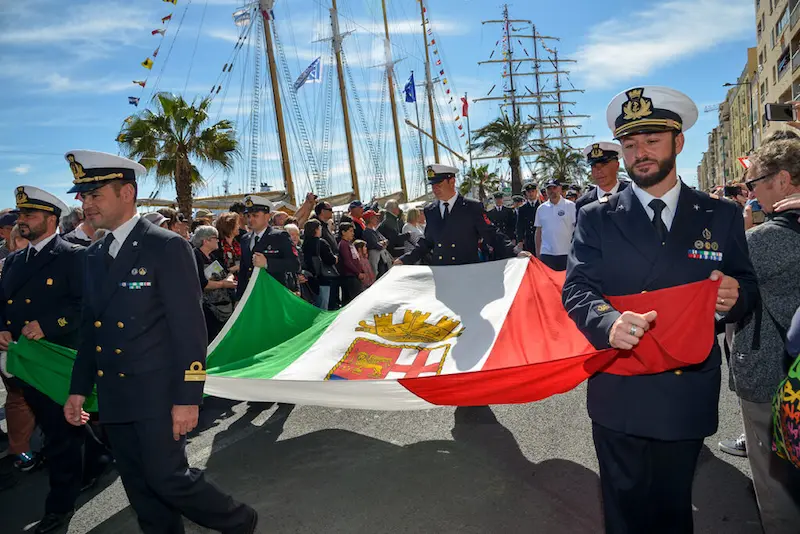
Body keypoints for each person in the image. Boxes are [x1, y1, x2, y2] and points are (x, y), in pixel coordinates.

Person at [562, 86, 758, 534]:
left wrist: (735, 296)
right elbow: (578, 288)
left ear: (678, 142)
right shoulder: (596, 216)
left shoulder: (719, 215)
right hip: (620, 385)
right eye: (630, 144)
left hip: (684, 388)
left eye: (651, 140)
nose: (640, 153)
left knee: (673, 508)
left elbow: (746, 285)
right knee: (624, 509)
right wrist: (608, 321)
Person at [62, 150, 257, 534]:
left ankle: (239, 521)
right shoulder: (94, 255)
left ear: (127, 193)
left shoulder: (165, 245)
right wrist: (78, 389)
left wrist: (188, 397)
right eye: (83, 197)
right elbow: (91, 330)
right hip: (116, 394)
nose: (86, 204)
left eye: (95, 194)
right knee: (139, 486)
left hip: (158, 391)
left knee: (168, 477)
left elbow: (189, 329)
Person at [0, 185, 91, 533]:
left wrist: (50, 324)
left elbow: (86, 305)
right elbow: (2, 302)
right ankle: (96, 457)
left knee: (60, 435)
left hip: (60, 359)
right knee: (60, 425)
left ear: (51, 219)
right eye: (20, 214)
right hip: (27, 364)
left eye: (30, 215)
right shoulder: (13, 261)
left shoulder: (73, 255)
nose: (22, 221)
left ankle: (60, 506)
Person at [728, 139, 800, 532]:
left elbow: (720, 289)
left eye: (754, 182)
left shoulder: (765, 239)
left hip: (774, 376)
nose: (750, 190)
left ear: (784, 179)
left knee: (775, 484)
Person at [396, 165, 519, 266]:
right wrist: (404, 260)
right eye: (432, 185)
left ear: (452, 181)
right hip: (441, 272)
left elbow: (491, 234)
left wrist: (515, 252)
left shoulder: (472, 207)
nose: (435, 189)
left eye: (438, 184)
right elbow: (427, 242)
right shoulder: (430, 210)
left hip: (466, 271)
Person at [237, 195, 299, 300]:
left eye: (255, 215)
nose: (250, 219)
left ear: (267, 216)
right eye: (248, 216)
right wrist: (239, 298)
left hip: (274, 295)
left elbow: (294, 265)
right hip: (252, 296)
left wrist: (267, 263)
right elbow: (243, 271)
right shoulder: (245, 239)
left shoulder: (280, 236)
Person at [191, 226, 236, 343]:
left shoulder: (213, 256)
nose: (218, 240)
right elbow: (202, 284)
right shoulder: (195, 256)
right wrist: (223, 284)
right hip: (209, 310)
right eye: (215, 238)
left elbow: (227, 272)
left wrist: (229, 279)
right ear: (205, 241)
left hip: (223, 306)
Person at [576, 142, 628, 222]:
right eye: (594, 166)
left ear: (617, 165)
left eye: (604, 164)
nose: (598, 171)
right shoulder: (583, 203)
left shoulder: (633, 194)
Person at [534, 179, 577, 272]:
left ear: (560, 188)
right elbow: (538, 232)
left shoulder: (571, 206)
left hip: (567, 252)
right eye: (549, 188)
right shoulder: (541, 209)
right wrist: (538, 253)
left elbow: (577, 229)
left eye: (554, 187)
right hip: (547, 254)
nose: (552, 191)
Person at [302, 219, 337, 310]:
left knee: (313, 305)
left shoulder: (304, 243)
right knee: (323, 306)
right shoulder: (321, 242)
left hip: (309, 278)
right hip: (323, 278)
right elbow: (330, 259)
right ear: (316, 229)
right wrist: (335, 258)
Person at [337, 222, 363, 305]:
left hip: (354, 276)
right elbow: (347, 261)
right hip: (350, 277)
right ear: (343, 232)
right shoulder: (343, 244)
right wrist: (358, 273)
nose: (353, 233)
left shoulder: (349, 243)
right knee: (352, 301)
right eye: (350, 231)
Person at [215, 212, 242, 280]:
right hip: (225, 284)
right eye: (237, 224)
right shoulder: (217, 245)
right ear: (230, 226)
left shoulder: (237, 243)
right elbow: (217, 269)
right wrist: (235, 268)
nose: (239, 226)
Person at [362, 210, 390, 277]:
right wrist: (382, 243)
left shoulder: (375, 230)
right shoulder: (367, 232)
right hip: (375, 260)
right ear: (370, 219)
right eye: (375, 217)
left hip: (382, 258)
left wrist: (382, 243)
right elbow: (376, 245)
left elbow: (386, 241)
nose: (377, 219)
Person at [515, 183, 540, 253]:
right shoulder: (522, 208)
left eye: (533, 191)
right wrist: (520, 240)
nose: (531, 194)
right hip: (528, 240)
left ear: (536, 192)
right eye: (529, 192)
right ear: (526, 193)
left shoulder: (542, 206)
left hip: (541, 239)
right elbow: (519, 226)